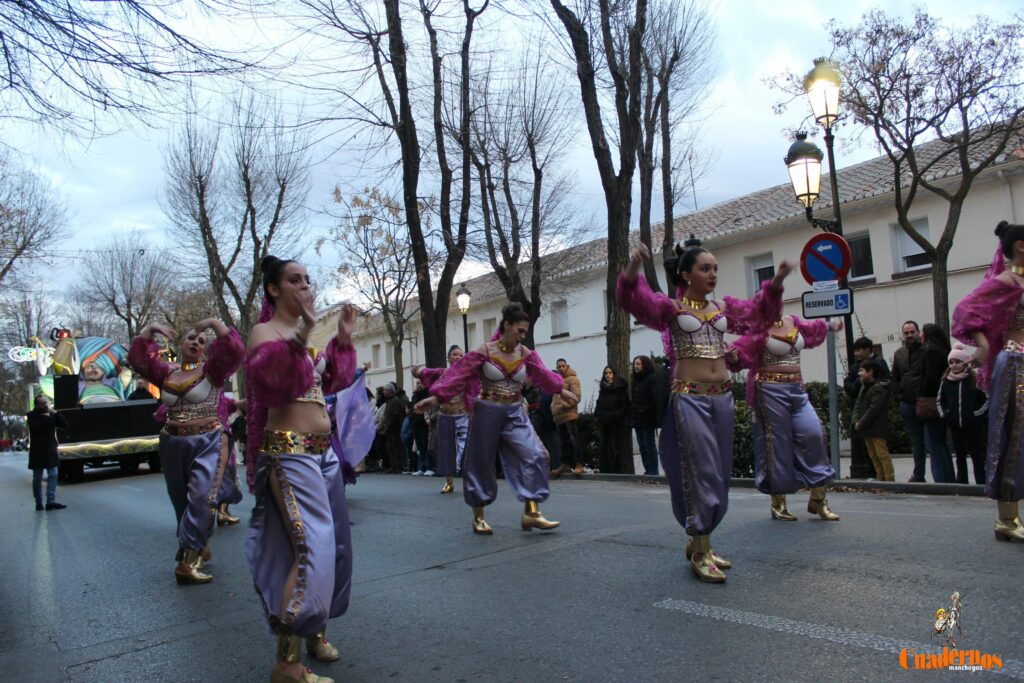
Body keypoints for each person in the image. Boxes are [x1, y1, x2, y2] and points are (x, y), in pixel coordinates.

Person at [617, 238, 792, 582]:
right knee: (699, 472)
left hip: (723, 398)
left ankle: (703, 541)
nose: (712, 274)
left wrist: (778, 281)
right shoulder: (672, 310)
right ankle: (700, 547)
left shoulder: (723, 308)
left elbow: (761, 316)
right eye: (705, 268)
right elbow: (633, 300)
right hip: (690, 399)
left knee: (721, 473)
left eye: (715, 269)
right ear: (686, 274)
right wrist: (635, 266)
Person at [244, 255, 359, 683]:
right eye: (295, 280)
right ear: (274, 289)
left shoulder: (301, 338)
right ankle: (286, 664)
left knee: (338, 550)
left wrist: (342, 341)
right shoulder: (264, 333)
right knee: (311, 548)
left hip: (323, 455)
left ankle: (316, 629)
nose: (305, 286)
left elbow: (330, 385)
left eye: (308, 279)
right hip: (288, 455)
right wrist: (308, 334)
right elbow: (278, 383)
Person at [415, 302, 576, 535]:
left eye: (525, 331)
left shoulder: (525, 354)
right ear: (507, 325)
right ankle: (478, 516)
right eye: (519, 330)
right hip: (487, 411)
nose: (523, 335)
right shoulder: (485, 351)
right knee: (480, 462)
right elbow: (457, 376)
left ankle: (531, 513)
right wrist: (435, 398)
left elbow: (543, 375)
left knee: (537, 454)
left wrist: (561, 389)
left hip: (514, 412)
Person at [129, 319, 244, 585]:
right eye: (191, 338)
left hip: (209, 441)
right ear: (180, 344)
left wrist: (214, 323)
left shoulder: (212, 371)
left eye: (201, 341)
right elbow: (138, 359)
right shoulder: (166, 372)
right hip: (172, 443)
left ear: (206, 350)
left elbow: (234, 350)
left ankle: (187, 560)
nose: (195, 342)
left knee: (202, 497)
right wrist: (152, 331)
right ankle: (198, 542)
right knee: (181, 501)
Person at [729, 313, 843, 521]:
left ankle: (818, 499)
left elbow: (813, 328)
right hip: (769, 390)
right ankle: (778, 503)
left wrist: (829, 325)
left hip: (797, 389)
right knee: (776, 444)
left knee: (814, 434)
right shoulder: (758, 328)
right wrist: (734, 357)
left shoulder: (793, 321)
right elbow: (743, 351)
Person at [953, 220, 1024, 543]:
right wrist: (982, 345)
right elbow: (966, 309)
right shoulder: (1008, 281)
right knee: (1012, 434)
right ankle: (1007, 518)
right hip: (1016, 362)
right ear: (1020, 246)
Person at [414, 345, 470, 494]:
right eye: (455, 355)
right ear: (449, 357)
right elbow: (426, 377)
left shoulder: (468, 375)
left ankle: (467, 478)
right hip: (445, 414)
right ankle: (449, 482)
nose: (458, 357)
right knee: (446, 449)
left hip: (463, 414)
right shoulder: (442, 374)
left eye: (460, 355)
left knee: (467, 447)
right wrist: (417, 371)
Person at [937, 344, 988, 485]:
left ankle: (981, 480)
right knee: (959, 455)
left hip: (972, 424)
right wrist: (946, 415)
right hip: (955, 424)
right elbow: (940, 401)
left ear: (965, 362)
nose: (954, 365)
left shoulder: (974, 379)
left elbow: (985, 400)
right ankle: (962, 481)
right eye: (951, 362)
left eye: (958, 362)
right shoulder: (946, 381)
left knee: (976, 454)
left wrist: (976, 415)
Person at [843, 337, 890, 479]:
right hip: (862, 412)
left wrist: (858, 382)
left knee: (880, 451)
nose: (856, 353)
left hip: (875, 416)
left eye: (858, 350)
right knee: (869, 450)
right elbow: (849, 386)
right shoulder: (855, 367)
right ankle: (875, 474)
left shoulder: (879, 364)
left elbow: (885, 386)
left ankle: (888, 476)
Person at [917, 323, 955, 483]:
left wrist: (922, 395)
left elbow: (930, 379)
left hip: (931, 403)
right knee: (941, 443)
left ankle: (942, 479)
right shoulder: (944, 352)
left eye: (921, 333)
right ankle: (948, 478)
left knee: (934, 444)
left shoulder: (930, 352)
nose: (920, 335)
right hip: (942, 402)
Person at [892, 321, 927, 482]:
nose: (909, 335)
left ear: (918, 333)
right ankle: (919, 474)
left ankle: (942, 476)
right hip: (907, 403)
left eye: (912, 332)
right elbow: (895, 378)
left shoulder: (927, 351)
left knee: (932, 441)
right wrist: (900, 394)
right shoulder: (899, 354)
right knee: (916, 441)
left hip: (926, 401)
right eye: (906, 333)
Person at [853, 359, 895, 482]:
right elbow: (858, 405)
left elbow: (874, 408)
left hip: (876, 427)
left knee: (881, 454)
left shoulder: (879, 388)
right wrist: (856, 420)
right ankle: (881, 477)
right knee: (873, 454)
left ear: (870, 372)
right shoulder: (864, 388)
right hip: (866, 427)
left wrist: (861, 422)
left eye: (861, 370)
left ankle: (889, 479)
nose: (859, 373)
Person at [26, 394, 69, 511]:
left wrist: (56, 413)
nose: (45, 405)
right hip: (38, 451)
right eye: (43, 404)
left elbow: (65, 424)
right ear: (37, 405)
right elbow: (36, 429)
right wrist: (46, 417)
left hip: (50, 449)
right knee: (37, 478)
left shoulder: (51, 414)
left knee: (53, 475)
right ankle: (38, 502)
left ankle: (50, 501)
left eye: (46, 403)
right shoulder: (32, 415)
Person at [594, 366, 631, 473]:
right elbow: (599, 404)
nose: (608, 375)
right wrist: (599, 414)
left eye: (610, 373)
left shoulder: (620, 389)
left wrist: (613, 416)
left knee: (616, 448)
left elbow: (624, 406)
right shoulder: (603, 389)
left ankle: (617, 471)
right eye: (606, 373)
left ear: (614, 374)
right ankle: (605, 470)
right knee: (604, 447)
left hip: (617, 423)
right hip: (605, 423)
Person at [551, 358, 583, 477]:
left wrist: (563, 406)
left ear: (567, 366)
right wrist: (553, 408)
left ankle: (579, 464)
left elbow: (576, 397)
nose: (561, 368)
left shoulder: (573, 379)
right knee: (564, 442)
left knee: (574, 440)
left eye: (563, 366)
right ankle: (565, 464)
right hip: (559, 417)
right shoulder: (557, 381)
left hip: (569, 415)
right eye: (558, 366)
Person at [630, 355, 661, 476]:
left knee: (649, 445)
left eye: (638, 364)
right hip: (637, 418)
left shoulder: (652, 379)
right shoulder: (635, 380)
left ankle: (653, 471)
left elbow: (654, 399)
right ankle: (648, 469)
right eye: (635, 364)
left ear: (644, 365)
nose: (635, 366)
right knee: (642, 446)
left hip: (648, 418)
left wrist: (644, 409)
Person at [381, 383, 407, 473]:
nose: (383, 392)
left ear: (390, 390)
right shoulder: (389, 400)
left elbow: (395, 415)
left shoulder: (395, 400)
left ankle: (398, 466)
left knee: (396, 448)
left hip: (394, 428)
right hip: (389, 428)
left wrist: (388, 425)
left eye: (385, 390)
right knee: (391, 448)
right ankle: (394, 466)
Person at [408, 380, 432, 476]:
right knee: (420, 447)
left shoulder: (428, 395)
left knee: (426, 445)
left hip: (424, 424)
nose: (418, 385)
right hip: (416, 424)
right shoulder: (414, 396)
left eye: (421, 383)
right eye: (417, 383)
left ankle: (429, 466)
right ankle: (422, 467)